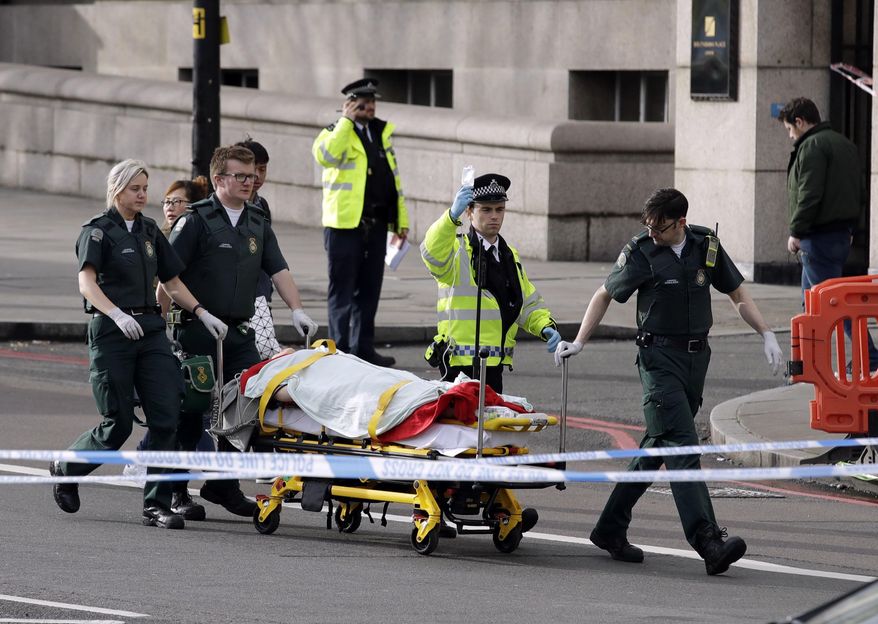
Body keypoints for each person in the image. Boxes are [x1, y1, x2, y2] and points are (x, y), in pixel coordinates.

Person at [554, 188, 785, 575]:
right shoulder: (642, 251)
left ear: (680, 222)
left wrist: (766, 332)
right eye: (648, 225)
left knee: (658, 444)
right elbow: (604, 294)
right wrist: (578, 341)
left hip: (697, 360)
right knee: (682, 446)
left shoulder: (705, 245)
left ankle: (610, 528)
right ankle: (708, 541)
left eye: (659, 227)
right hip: (657, 360)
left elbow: (736, 292)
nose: (652, 232)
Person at [50, 159, 228, 530]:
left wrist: (201, 311)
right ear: (117, 191)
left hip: (149, 331)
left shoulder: (149, 231)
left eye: (146, 188)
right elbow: (87, 283)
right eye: (136, 189)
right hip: (113, 331)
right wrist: (116, 314)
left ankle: (156, 504)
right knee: (117, 423)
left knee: (167, 417)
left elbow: (172, 281)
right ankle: (66, 467)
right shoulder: (96, 232)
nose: (143, 195)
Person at [162, 144, 319, 520]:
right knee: (192, 410)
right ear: (219, 179)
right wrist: (185, 315)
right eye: (241, 176)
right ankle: (175, 491)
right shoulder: (195, 220)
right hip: (197, 329)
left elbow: (279, 270)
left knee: (249, 402)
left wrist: (297, 310)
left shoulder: (256, 221)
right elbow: (168, 278)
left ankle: (222, 484)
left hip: (238, 330)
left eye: (252, 176)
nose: (250, 183)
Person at [420, 174, 560, 394]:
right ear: (469, 211)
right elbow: (430, 252)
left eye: (499, 209)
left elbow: (525, 301)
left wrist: (545, 326)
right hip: (460, 365)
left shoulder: (509, 255)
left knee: (489, 426)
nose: (494, 216)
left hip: (494, 365)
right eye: (486, 210)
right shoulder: (456, 252)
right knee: (463, 428)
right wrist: (450, 217)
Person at [122, 175, 213, 490]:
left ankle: (189, 472)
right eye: (167, 201)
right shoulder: (158, 235)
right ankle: (146, 461)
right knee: (175, 403)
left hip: (185, 326)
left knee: (196, 405)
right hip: (165, 329)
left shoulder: (191, 234)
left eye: (178, 202)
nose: (171, 207)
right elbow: (164, 286)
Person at [312, 78, 409, 367]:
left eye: (373, 102)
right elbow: (326, 157)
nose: (369, 107)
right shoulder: (335, 132)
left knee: (370, 289)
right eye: (363, 102)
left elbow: (393, 181)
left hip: (376, 224)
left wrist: (400, 221)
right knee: (342, 289)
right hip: (344, 225)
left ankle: (363, 347)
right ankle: (339, 350)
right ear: (349, 103)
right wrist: (345, 121)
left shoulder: (381, 133)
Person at [777, 97, 878, 371]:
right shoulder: (844, 144)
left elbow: (809, 194)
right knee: (811, 301)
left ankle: (867, 356)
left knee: (832, 303)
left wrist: (796, 232)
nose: (790, 135)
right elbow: (860, 192)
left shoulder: (812, 146)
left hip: (816, 237)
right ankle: (806, 362)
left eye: (789, 129)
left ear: (800, 121)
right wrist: (851, 228)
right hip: (839, 235)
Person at [236, 138, 283, 360]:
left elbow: (271, 256)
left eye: (262, 170)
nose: (256, 177)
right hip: (234, 297)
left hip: (261, 293)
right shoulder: (227, 206)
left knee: (263, 353)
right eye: (250, 170)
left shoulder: (261, 205)